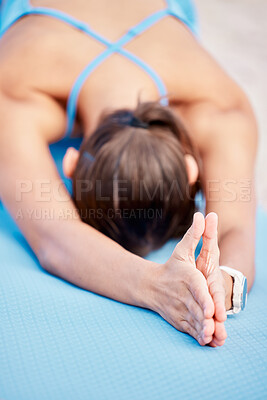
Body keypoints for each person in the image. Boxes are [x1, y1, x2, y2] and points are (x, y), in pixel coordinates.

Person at [0, 0, 257, 347]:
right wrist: (159, 287)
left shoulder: (223, 110)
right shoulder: (11, 94)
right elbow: (53, 240)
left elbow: (236, 227)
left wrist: (222, 285)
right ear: (71, 165)